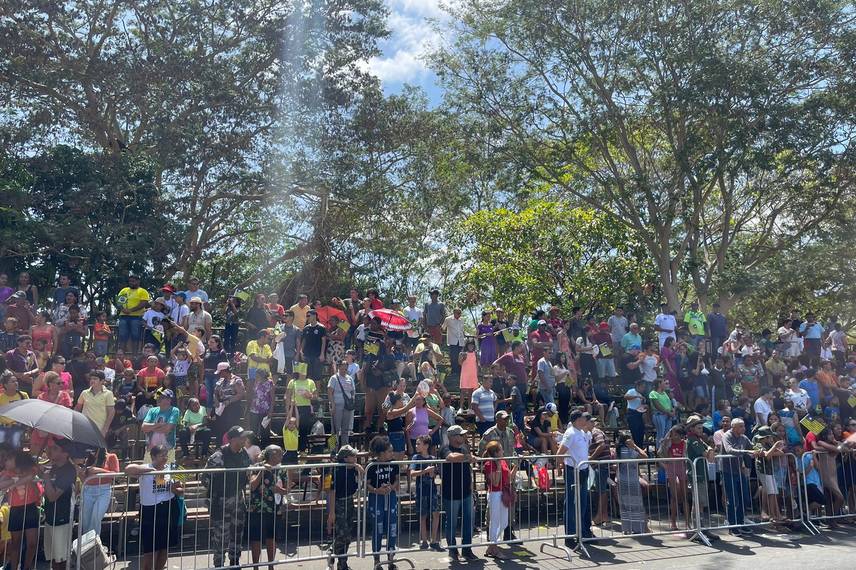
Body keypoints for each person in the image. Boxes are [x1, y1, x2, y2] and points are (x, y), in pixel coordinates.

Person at [126, 444, 182, 570]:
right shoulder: (146, 468)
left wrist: (176, 489)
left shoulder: (172, 467)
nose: (165, 458)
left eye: (166, 455)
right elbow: (128, 469)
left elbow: (182, 489)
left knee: (164, 546)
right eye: (161, 456)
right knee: (150, 548)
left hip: (168, 507)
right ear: (153, 457)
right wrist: (151, 471)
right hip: (150, 511)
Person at [204, 426, 251, 568]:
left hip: (238, 499)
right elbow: (205, 479)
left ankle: (234, 562)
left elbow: (247, 473)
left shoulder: (244, 454)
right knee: (220, 538)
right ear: (232, 439)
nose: (245, 439)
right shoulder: (218, 456)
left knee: (237, 533)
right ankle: (219, 565)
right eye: (242, 437)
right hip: (221, 501)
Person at [247, 445, 287, 570]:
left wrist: (280, 490)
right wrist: (262, 471)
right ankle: (256, 566)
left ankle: (271, 565)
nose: (281, 456)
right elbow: (253, 485)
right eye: (279, 453)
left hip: (274, 508)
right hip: (257, 509)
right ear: (270, 455)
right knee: (256, 538)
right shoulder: (256, 467)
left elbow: (286, 490)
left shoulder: (282, 470)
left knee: (272, 537)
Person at [1, 451, 42, 570]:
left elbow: (30, 476)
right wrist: (15, 480)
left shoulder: (29, 469)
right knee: (15, 543)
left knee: (32, 543)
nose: (5, 462)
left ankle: (26, 567)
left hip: (30, 508)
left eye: (8, 459)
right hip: (15, 510)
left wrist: (14, 484)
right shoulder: (7, 473)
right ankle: (14, 568)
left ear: (16, 459)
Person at [439, 425, 476, 560]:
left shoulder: (465, 447)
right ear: (452, 437)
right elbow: (451, 457)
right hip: (451, 492)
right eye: (461, 435)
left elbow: (468, 463)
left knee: (468, 521)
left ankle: (467, 549)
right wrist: (467, 456)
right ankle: (453, 550)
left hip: (466, 491)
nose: (463, 436)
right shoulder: (444, 448)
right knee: (452, 522)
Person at [558, 410, 593, 545]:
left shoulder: (583, 433)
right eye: (583, 418)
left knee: (583, 502)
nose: (585, 420)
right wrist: (559, 468)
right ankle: (570, 535)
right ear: (577, 420)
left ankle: (583, 533)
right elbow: (561, 452)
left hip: (583, 470)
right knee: (572, 503)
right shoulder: (570, 433)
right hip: (573, 470)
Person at [42, 441, 78, 570]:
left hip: (62, 519)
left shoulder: (69, 470)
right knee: (52, 557)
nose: (51, 450)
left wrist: (46, 478)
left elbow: (52, 496)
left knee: (60, 559)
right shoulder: (54, 467)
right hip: (50, 518)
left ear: (65, 453)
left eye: (55, 448)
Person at [327, 445, 363, 570]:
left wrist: (357, 468)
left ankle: (340, 559)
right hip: (338, 502)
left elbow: (362, 478)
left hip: (349, 501)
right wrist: (332, 512)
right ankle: (338, 558)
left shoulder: (353, 468)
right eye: (353, 456)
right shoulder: (337, 470)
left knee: (348, 534)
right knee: (343, 534)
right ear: (346, 458)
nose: (355, 458)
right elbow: (332, 491)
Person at [366, 435, 399, 569]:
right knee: (377, 529)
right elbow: (366, 485)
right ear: (381, 453)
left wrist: (392, 487)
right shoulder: (372, 466)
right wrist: (376, 490)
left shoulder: (394, 464)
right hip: (377, 500)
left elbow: (397, 479)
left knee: (392, 528)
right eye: (390, 451)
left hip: (390, 498)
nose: (392, 453)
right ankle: (377, 559)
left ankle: (391, 558)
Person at [720, 418, 757, 533]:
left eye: (744, 426)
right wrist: (746, 452)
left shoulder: (744, 437)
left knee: (744, 498)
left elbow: (752, 448)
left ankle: (741, 523)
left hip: (739, 471)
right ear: (734, 427)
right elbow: (729, 449)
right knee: (733, 499)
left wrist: (760, 450)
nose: (743, 428)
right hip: (727, 471)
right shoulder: (727, 436)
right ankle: (732, 526)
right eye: (741, 426)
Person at [483, 440, 515, 559]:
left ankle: (491, 546)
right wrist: (498, 466)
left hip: (503, 492)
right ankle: (494, 548)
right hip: (495, 493)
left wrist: (516, 465)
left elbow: (509, 478)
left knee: (504, 522)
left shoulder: (503, 461)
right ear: (496, 452)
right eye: (501, 449)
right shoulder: (489, 464)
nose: (503, 451)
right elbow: (495, 482)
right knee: (495, 522)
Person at [410, 435, 442, 551]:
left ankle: (434, 540)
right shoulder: (416, 457)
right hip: (421, 490)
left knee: (436, 513)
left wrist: (433, 473)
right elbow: (412, 473)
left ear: (426, 445)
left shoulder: (432, 458)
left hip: (432, 490)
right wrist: (425, 471)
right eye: (417, 444)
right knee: (423, 515)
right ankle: (424, 540)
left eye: (419, 444)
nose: (416, 446)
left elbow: (436, 474)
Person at [80, 447, 120, 536]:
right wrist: (81, 473)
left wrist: (98, 471)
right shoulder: (88, 459)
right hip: (88, 490)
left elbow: (116, 474)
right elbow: (84, 480)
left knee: (96, 516)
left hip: (103, 491)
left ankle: (92, 543)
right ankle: (87, 544)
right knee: (85, 520)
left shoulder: (111, 457)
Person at [658, 425, 690, 531]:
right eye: (673, 434)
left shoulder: (685, 443)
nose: (674, 436)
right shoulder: (667, 443)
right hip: (671, 468)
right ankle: (673, 522)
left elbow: (687, 457)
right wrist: (665, 465)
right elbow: (660, 455)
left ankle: (687, 522)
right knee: (674, 496)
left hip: (682, 467)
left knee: (685, 496)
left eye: (677, 434)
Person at [616, 433, 648, 534]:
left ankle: (627, 528)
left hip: (622, 479)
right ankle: (638, 528)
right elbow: (644, 456)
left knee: (625, 505)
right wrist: (635, 446)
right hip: (631, 480)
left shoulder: (619, 450)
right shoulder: (629, 450)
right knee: (636, 504)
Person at [142, 390, 180, 463]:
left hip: (167, 450)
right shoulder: (152, 410)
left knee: (166, 473)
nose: (158, 398)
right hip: (151, 450)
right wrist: (159, 425)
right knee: (147, 473)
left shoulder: (174, 411)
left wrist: (151, 428)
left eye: (162, 397)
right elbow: (144, 427)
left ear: (169, 400)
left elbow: (167, 429)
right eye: (158, 396)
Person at [212, 362, 245, 444]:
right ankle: (220, 445)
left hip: (233, 407)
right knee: (220, 427)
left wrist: (229, 401)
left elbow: (241, 394)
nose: (219, 374)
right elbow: (215, 392)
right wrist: (216, 400)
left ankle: (231, 444)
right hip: (222, 407)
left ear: (224, 371)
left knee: (231, 427)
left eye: (220, 372)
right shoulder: (220, 380)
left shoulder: (237, 380)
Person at [116, 275, 150, 353]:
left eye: (133, 281)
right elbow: (119, 302)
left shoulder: (142, 291)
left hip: (136, 317)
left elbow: (143, 303)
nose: (131, 283)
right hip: (123, 316)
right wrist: (123, 309)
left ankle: (135, 355)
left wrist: (131, 310)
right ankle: (121, 354)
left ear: (138, 281)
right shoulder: (124, 290)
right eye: (130, 281)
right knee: (122, 336)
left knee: (135, 336)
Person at [327, 360, 356, 449]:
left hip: (347, 406)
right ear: (339, 367)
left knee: (345, 429)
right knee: (335, 429)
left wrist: (352, 400)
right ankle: (332, 449)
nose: (344, 370)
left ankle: (345, 449)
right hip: (337, 405)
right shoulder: (334, 378)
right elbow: (329, 392)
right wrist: (332, 404)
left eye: (345, 369)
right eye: (342, 368)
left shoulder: (349, 378)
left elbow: (353, 391)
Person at [0, 371, 29, 447]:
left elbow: (29, 411)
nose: (16, 383)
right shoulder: (1, 398)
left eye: (16, 381)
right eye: (12, 381)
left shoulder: (23, 395)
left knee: (15, 444)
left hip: (18, 426)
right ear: (5, 385)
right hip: (2, 427)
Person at [300, 309, 327, 382]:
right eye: (306, 316)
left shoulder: (321, 327)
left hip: (317, 355)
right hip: (307, 355)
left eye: (309, 316)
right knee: (307, 375)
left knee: (317, 377)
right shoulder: (306, 328)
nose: (307, 317)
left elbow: (323, 341)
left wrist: (322, 354)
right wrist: (301, 351)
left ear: (314, 316)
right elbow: (304, 340)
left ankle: (317, 393)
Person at [624, 379, 648, 448]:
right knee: (635, 432)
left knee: (640, 431)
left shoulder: (641, 395)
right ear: (638, 386)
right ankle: (636, 447)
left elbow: (640, 407)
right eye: (642, 387)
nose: (643, 389)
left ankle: (640, 447)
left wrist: (644, 405)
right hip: (631, 413)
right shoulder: (632, 391)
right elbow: (626, 397)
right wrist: (636, 397)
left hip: (639, 414)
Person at [443, 308, 466, 375]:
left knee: (460, 356)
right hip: (452, 340)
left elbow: (462, 330)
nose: (459, 315)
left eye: (460, 313)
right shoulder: (448, 319)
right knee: (453, 356)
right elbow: (443, 328)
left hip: (461, 341)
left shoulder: (462, 320)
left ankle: (460, 370)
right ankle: (454, 371)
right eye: (458, 313)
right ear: (454, 313)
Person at [458, 339, 479, 407]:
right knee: (463, 391)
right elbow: (460, 363)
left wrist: (477, 374)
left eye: (472, 345)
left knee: (471, 392)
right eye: (469, 345)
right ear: (466, 345)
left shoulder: (475, 353)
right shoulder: (462, 353)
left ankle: (470, 408)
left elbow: (477, 364)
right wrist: (463, 358)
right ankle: (461, 408)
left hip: (473, 374)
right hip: (465, 374)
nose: (471, 346)